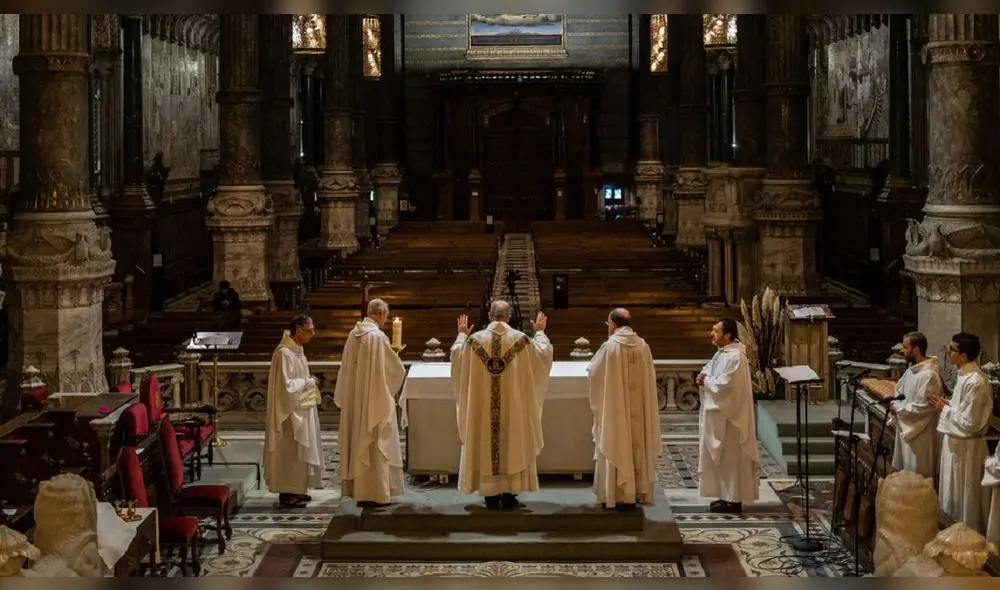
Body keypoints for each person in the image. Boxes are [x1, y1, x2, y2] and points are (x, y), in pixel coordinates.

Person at [450, 301, 553, 510]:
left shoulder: (473, 341)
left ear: (490, 315)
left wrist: (461, 334)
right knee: (512, 441)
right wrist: (540, 332)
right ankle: (509, 493)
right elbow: (543, 356)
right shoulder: (522, 340)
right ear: (508, 316)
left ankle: (489, 494)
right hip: (512, 408)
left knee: (485, 438)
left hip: (483, 412)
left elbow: (456, 357)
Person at [334, 298, 408, 507]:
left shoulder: (353, 334)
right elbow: (395, 371)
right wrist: (396, 357)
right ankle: (376, 492)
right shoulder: (377, 337)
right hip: (375, 400)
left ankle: (361, 490)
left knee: (359, 439)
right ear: (379, 315)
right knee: (376, 443)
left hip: (356, 400)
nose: (385, 321)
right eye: (385, 316)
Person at [586, 308, 662, 511]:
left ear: (613, 324)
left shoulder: (610, 346)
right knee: (636, 442)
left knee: (616, 440)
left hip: (616, 411)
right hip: (638, 410)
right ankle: (635, 492)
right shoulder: (643, 345)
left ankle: (616, 494)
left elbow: (594, 372)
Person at [928, 332, 992, 532]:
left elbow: (970, 423)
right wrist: (948, 403)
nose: (948, 352)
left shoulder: (976, 382)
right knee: (951, 496)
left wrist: (944, 409)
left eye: (952, 349)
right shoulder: (965, 376)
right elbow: (962, 410)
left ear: (963, 356)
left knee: (965, 499)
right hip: (956, 446)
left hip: (967, 450)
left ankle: (964, 540)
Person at [696, 317, 760, 513]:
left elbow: (726, 385)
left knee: (731, 459)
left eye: (716, 331)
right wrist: (702, 376)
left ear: (728, 335)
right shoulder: (723, 354)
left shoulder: (736, 357)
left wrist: (706, 381)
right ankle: (725, 496)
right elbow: (710, 370)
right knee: (723, 460)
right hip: (721, 415)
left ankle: (734, 499)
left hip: (732, 419)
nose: (712, 334)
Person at [263, 315, 324, 509]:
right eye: (309, 330)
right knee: (289, 452)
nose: (312, 334)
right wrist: (309, 382)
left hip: (300, 409)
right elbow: (286, 387)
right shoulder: (284, 354)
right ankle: (287, 493)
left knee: (298, 452)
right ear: (298, 330)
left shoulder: (297, 350)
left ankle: (297, 489)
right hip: (288, 414)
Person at [888, 331, 942, 479]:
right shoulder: (911, 371)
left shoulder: (929, 375)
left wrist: (897, 407)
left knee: (918, 478)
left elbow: (923, 407)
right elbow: (899, 391)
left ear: (916, 349)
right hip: (907, 430)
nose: (902, 350)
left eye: (906, 347)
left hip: (920, 434)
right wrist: (896, 404)